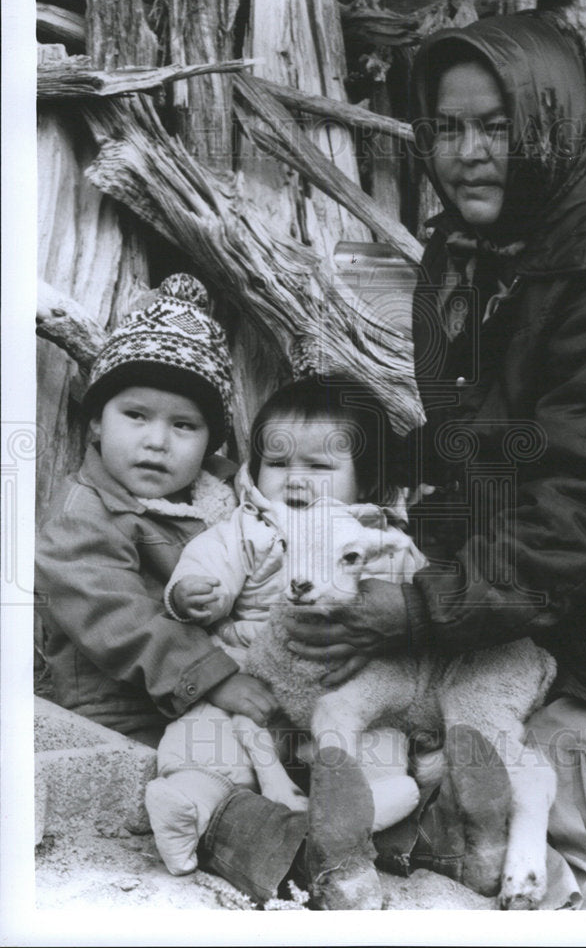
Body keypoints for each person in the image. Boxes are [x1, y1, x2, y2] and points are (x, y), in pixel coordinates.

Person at [284, 12, 586, 910]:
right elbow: (492, 450)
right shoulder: (478, 251)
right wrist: (410, 550)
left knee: (484, 784)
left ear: (554, 119)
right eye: (448, 126)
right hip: (565, 597)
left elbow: (585, 508)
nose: (468, 151)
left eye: (498, 126)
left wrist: (422, 609)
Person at [144, 376, 426, 879]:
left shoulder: (378, 539)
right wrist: (193, 592)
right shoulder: (252, 528)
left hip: (344, 690)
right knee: (206, 737)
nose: (294, 480)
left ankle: (366, 804)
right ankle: (191, 801)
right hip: (253, 684)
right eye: (277, 463)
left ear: (368, 483)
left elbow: (409, 600)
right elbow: (210, 560)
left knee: (379, 737)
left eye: (318, 467)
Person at [35, 274, 276, 749]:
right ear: (98, 423)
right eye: (136, 415)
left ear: (210, 442)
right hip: (120, 710)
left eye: (183, 425)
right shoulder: (82, 515)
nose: (156, 441)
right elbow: (117, 618)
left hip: (218, 683)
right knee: (198, 779)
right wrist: (213, 678)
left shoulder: (227, 496)